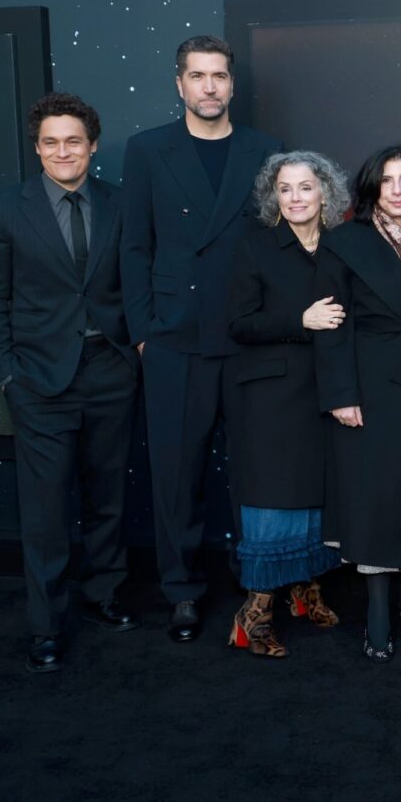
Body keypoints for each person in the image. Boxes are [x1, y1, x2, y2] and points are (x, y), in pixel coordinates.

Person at [0, 93, 142, 673]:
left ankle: (104, 596)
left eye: (73, 141)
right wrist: (7, 376)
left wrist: (133, 356)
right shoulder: (4, 209)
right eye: (50, 142)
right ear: (37, 147)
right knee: (44, 514)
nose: (62, 151)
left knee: (108, 499)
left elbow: (135, 287)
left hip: (110, 371)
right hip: (38, 380)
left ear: (92, 146)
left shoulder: (121, 204)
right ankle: (47, 626)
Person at [120, 34, 283, 643]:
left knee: (255, 473)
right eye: (198, 76)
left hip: (245, 337)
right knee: (176, 473)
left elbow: (277, 245)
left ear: (233, 85)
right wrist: (143, 333)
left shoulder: (265, 150)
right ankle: (182, 590)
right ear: (180, 84)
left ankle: (257, 587)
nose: (210, 86)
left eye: (219, 76)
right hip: (173, 338)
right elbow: (133, 246)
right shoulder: (148, 150)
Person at [314, 145, 401, 661]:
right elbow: (329, 325)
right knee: (376, 493)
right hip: (367, 384)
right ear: (371, 188)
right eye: (387, 180)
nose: (397, 189)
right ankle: (376, 609)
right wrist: (341, 395)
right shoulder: (344, 242)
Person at [222, 151, 350, 658]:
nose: (295, 198)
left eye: (305, 187)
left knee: (319, 496)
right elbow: (239, 323)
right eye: (285, 189)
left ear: (325, 193)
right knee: (274, 502)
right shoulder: (255, 246)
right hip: (270, 398)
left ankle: (305, 592)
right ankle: (251, 618)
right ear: (273, 197)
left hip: (326, 391)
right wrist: (301, 320)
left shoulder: (341, 247)